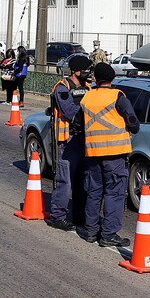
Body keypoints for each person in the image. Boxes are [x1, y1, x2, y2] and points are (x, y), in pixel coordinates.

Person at [73, 63, 139, 247]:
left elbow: (77, 124)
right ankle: (108, 234)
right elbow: (133, 123)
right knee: (114, 193)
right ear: (112, 78)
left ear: (96, 78)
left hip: (93, 153)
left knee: (94, 192)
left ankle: (91, 231)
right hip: (115, 154)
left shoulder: (87, 97)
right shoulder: (118, 96)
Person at [46, 56, 92, 231]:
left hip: (85, 139)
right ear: (75, 71)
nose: (88, 73)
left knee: (83, 180)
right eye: (86, 70)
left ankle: (80, 216)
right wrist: (88, 113)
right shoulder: (62, 88)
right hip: (68, 140)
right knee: (65, 180)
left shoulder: (87, 88)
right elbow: (69, 111)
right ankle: (57, 216)